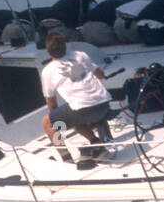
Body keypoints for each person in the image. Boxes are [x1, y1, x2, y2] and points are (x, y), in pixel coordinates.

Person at [39, 32, 111, 163]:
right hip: (104, 104)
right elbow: (100, 74)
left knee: (47, 123)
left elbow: (51, 103)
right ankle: (96, 144)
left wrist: (58, 124)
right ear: (65, 46)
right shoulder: (81, 55)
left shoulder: (47, 71)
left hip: (83, 109)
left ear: (48, 51)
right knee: (72, 114)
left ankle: (66, 159)